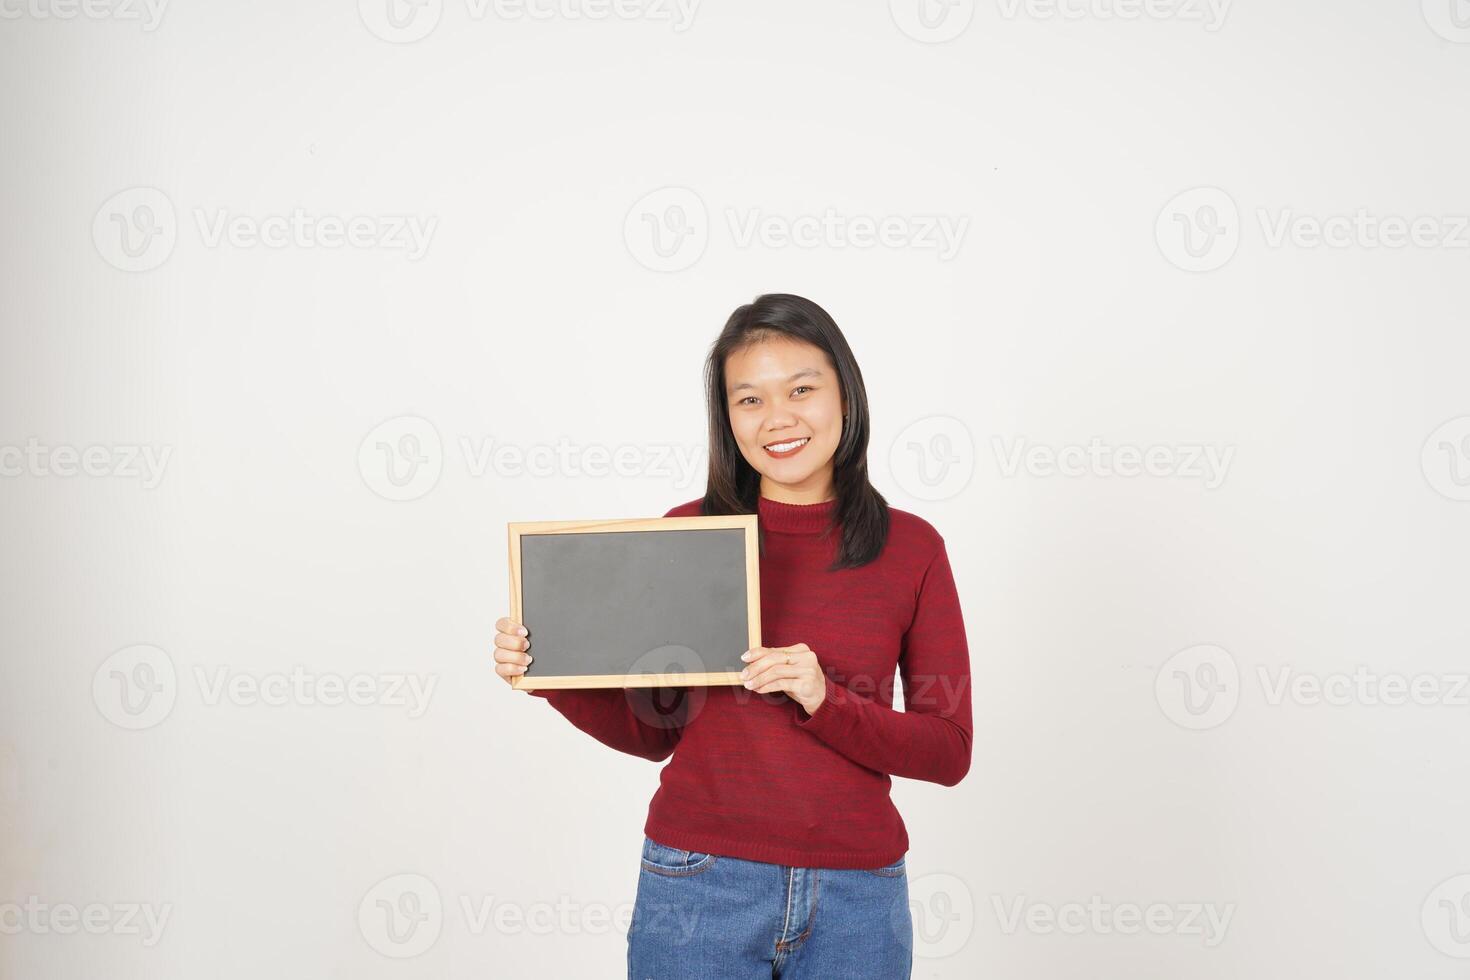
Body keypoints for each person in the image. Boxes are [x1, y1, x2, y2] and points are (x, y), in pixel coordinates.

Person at [492, 293, 973, 979]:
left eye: (801, 389)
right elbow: (656, 733)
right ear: (728, 418)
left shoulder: (912, 549)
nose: (778, 418)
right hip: (698, 885)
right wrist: (550, 675)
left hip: (859, 897)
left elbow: (948, 750)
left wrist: (824, 700)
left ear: (846, 394)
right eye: (749, 400)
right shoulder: (691, 535)